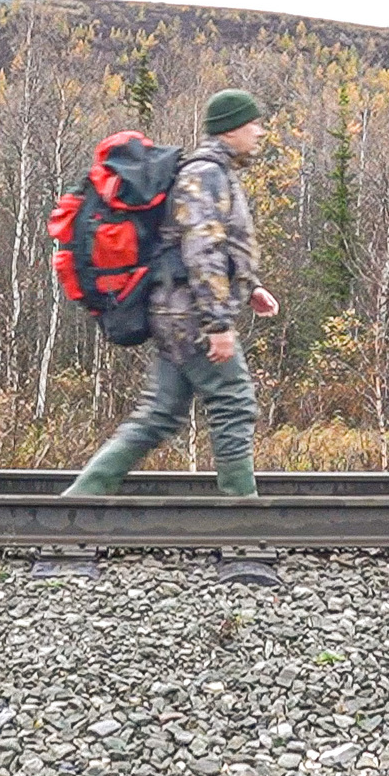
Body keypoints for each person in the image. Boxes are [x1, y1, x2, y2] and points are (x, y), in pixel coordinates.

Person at [63, 89, 280, 496]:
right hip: (191, 315)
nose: (260, 132)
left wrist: (249, 286)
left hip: (177, 308)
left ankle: (82, 496)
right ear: (231, 128)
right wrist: (218, 322)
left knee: (160, 414)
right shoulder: (205, 175)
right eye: (254, 123)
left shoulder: (212, 172)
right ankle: (242, 509)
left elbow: (194, 247)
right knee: (234, 402)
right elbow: (202, 250)